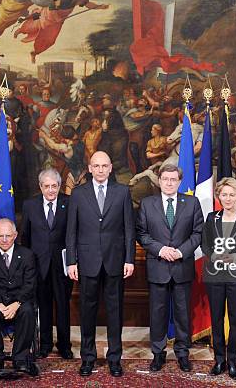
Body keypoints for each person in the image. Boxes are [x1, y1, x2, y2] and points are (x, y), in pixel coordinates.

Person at [66, 151, 136, 377]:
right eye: (96, 166)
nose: (100, 170)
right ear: (89, 168)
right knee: (87, 311)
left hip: (116, 261)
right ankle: (88, 358)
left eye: (104, 166)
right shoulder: (78, 193)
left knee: (115, 312)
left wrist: (129, 259)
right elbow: (71, 231)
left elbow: (128, 229)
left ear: (110, 168)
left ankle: (115, 358)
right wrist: (71, 261)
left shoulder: (123, 192)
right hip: (86, 262)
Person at [136, 164, 203, 373]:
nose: (169, 183)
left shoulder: (192, 203)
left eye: (173, 179)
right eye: (165, 179)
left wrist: (181, 251)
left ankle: (183, 353)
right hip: (158, 267)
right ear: (159, 180)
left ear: (179, 181)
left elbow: (198, 233)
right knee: (158, 313)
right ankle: (158, 354)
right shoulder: (147, 204)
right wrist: (161, 249)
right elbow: (142, 234)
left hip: (182, 266)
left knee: (183, 314)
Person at [201, 177, 236, 379]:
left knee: (235, 320)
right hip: (215, 275)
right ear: (219, 196)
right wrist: (214, 255)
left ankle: (233, 361)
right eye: (224, 194)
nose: (227, 198)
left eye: (231, 195)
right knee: (216, 319)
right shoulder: (211, 218)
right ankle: (219, 360)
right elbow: (205, 244)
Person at [21, 169, 74, 359]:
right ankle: (45, 344)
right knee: (42, 305)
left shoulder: (69, 203)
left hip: (63, 265)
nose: (51, 190)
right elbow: (25, 238)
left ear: (59, 186)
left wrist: (72, 262)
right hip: (38, 265)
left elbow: (73, 235)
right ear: (40, 187)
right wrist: (26, 266)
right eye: (47, 186)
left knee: (63, 306)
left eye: (54, 186)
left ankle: (64, 345)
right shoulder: (30, 205)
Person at [0, 218, 38, 376]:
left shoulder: (27, 254)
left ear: (15, 235)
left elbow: (30, 283)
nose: (4, 240)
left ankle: (20, 358)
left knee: (28, 311)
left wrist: (16, 303)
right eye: (0, 236)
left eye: (8, 236)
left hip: (19, 299)